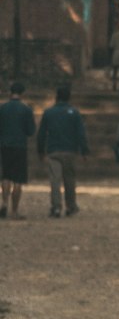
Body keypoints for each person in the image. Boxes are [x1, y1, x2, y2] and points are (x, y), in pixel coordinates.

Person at [37, 85, 90, 218]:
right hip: (70, 150)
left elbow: (42, 133)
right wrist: (84, 150)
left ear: (57, 96)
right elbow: (80, 133)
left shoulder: (48, 112)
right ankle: (71, 206)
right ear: (68, 97)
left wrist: (40, 150)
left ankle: (56, 207)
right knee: (70, 180)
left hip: (53, 150)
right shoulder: (74, 112)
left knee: (55, 180)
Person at [0, 82, 36, 220]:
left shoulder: (2, 108)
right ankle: (14, 211)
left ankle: (4, 203)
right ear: (22, 93)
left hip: (4, 145)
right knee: (18, 180)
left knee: (5, 176)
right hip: (19, 146)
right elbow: (30, 131)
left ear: (10, 92)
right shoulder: (26, 109)